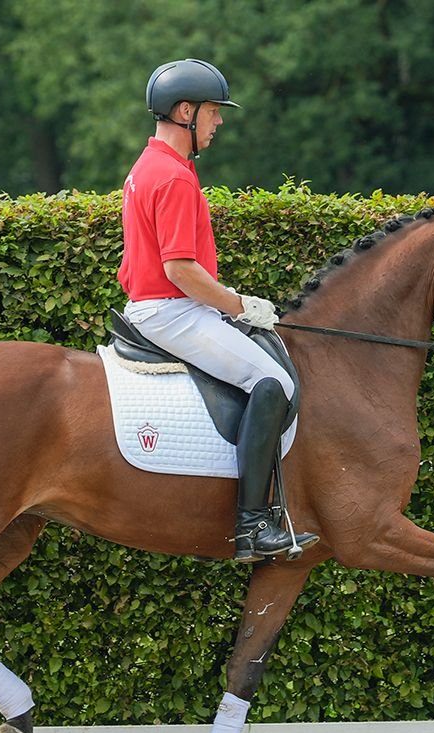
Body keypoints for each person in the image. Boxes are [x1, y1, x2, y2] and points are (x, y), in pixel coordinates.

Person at [118, 58, 318, 562]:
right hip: (173, 310)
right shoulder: (174, 178)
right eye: (213, 112)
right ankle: (253, 526)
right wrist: (240, 306)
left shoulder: (149, 168)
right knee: (274, 383)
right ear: (185, 111)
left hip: (159, 305)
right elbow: (181, 269)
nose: (219, 122)